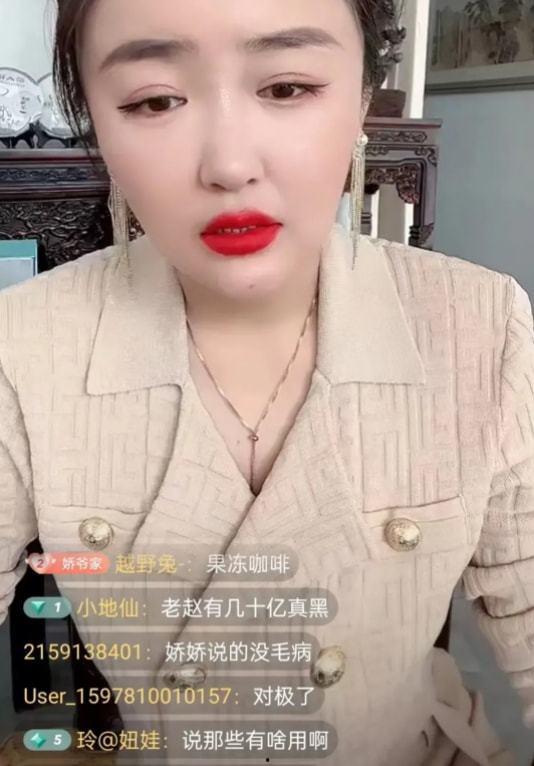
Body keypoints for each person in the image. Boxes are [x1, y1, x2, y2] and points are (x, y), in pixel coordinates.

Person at [0, 0, 532, 764]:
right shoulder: (24, 345)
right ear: (94, 121)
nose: (228, 164)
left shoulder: (481, 325)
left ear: (363, 94)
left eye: (286, 87)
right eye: (155, 100)